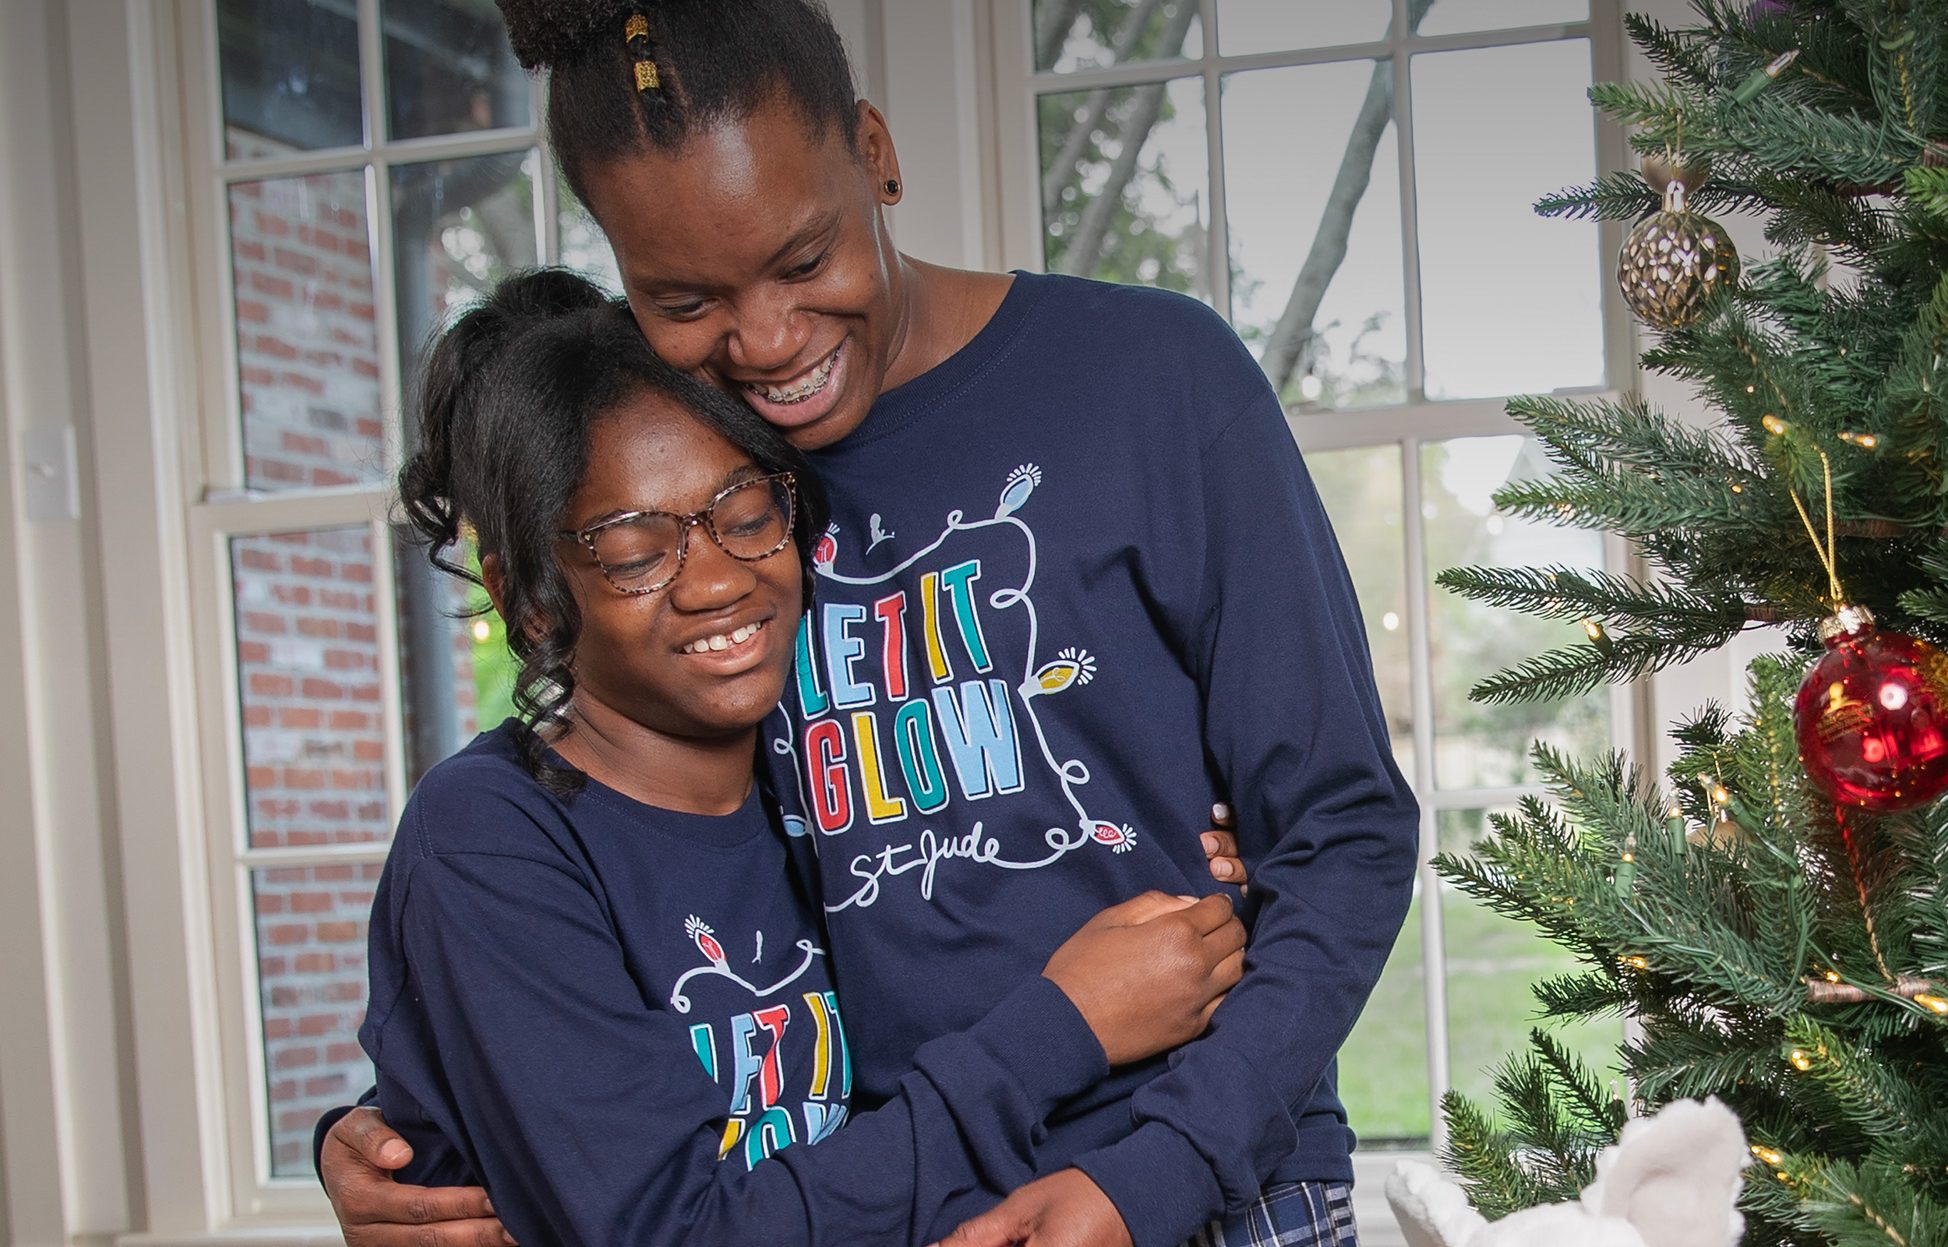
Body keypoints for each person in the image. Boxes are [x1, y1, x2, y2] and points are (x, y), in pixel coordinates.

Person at [322, 3, 1421, 1245]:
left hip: (1213, 1173)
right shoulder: (696, 453)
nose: (769, 341)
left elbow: (1344, 827)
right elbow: (645, 883)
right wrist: (417, 1121)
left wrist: (1160, 1168)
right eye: (684, 296)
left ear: (876, 152)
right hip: (898, 1207)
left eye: (803, 262)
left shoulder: (1155, 381)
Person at [366, 266, 1252, 1247]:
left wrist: (1194, 838)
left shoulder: (810, 795)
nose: (713, 582)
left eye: (744, 516)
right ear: (529, 596)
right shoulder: (488, 833)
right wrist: (1064, 1024)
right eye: (633, 551)